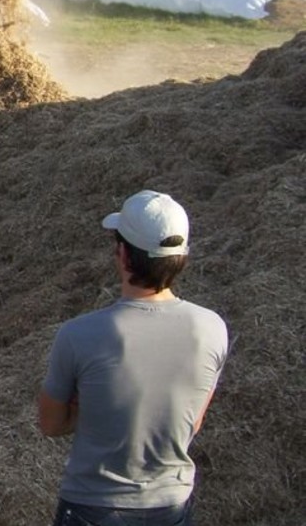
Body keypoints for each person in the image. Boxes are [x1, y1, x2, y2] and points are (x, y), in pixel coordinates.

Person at [38, 190, 228, 526]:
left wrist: (91, 408)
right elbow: (190, 422)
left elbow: (50, 424)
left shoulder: (79, 334)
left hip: (91, 506)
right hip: (172, 506)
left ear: (123, 255)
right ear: (180, 257)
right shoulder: (211, 328)